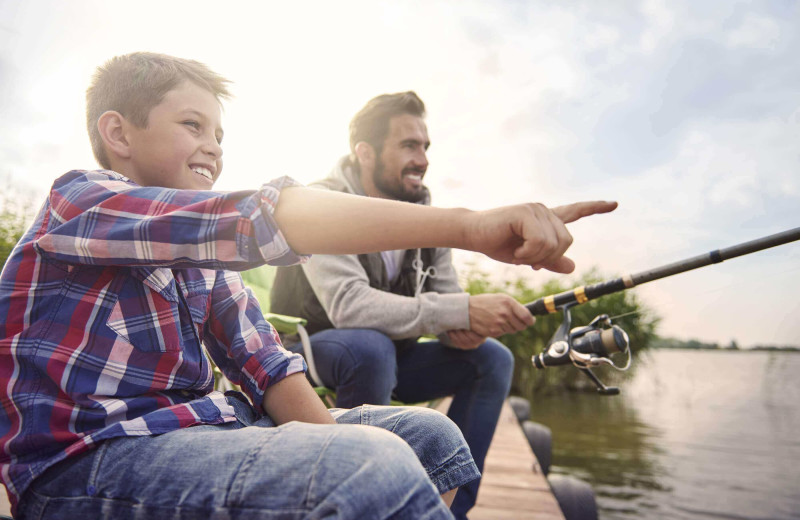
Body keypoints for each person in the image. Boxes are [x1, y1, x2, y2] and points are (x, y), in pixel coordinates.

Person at [0, 53, 616, 520]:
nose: (213, 148)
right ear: (119, 133)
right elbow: (258, 218)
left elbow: (265, 363)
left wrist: (335, 448)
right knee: (371, 466)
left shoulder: (203, 264)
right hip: (82, 464)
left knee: (429, 440)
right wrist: (472, 226)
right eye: (193, 125)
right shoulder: (80, 201)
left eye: (219, 135)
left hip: (206, 432)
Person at [270, 91, 613, 518]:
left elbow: (450, 302)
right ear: (365, 153)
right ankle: (356, 503)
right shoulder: (322, 201)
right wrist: (459, 311)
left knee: (493, 360)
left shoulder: (424, 210)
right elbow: (348, 307)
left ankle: (450, 510)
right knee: (369, 347)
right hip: (313, 351)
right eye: (408, 145)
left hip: (394, 357)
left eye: (425, 146)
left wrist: (467, 327)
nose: (423, 159)